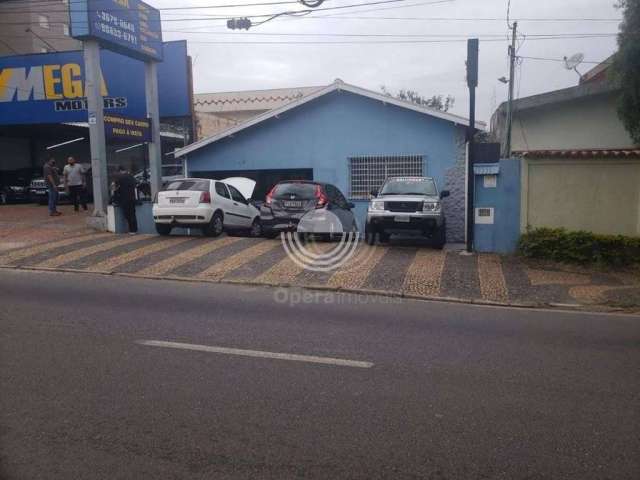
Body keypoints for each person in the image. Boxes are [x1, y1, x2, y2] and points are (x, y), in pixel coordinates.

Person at [113, 165, 138, 234]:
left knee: (127, 214)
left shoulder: (120, 178)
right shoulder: (131, 176)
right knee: (132, 214)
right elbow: (136, 184)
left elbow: (116, 188)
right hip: (132, 198)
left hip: (124, 198)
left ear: (120, 171)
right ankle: (134, 230)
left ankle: (131, 230)